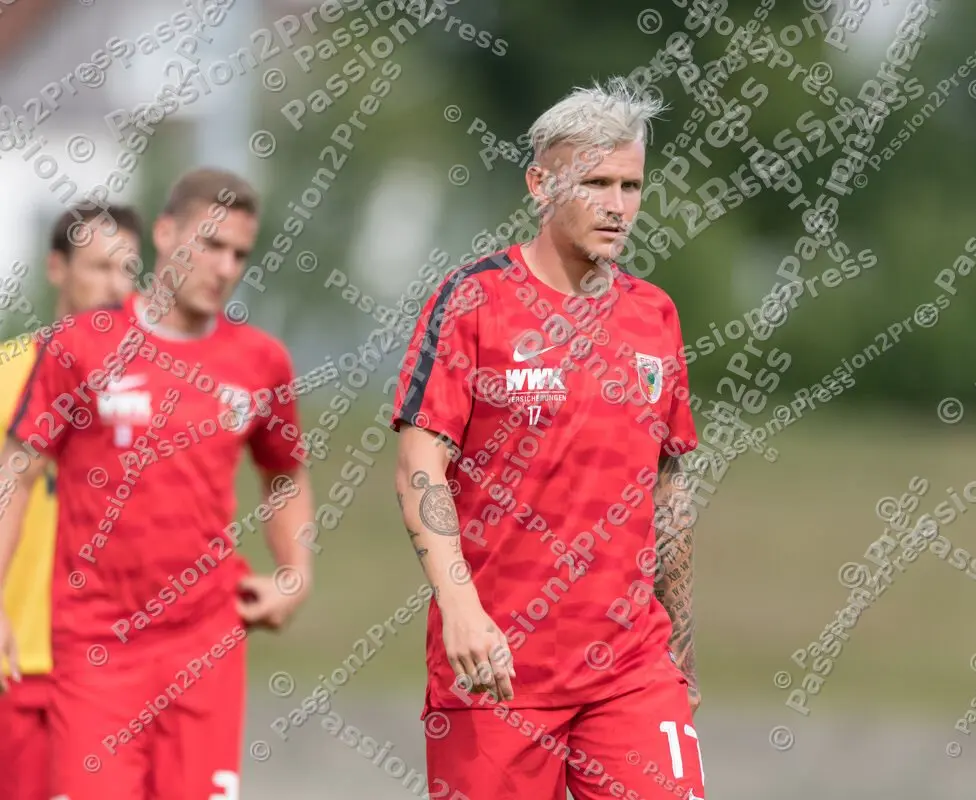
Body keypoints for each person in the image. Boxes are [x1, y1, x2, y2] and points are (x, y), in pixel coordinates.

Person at [392, 77, 706, 800]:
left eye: (631, 185)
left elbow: (668, 490)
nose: (617, 205)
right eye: (595, 182)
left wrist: (682, 657)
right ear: (540, 182)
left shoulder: (655, 317)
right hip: (496, 672)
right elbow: (419, 465)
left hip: (631, 671)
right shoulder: (473, 302)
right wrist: (462, 611)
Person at [0, 168, 315, 800]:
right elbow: (19, 471)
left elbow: (284, 473)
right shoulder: (81, 347)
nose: (223, 267)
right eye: (210, 244)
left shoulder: (260, 361)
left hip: (206, 644)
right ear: (166, 235)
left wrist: (295, 573)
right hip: (95, 647)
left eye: (238, 253)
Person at [0, 203, 143, 800]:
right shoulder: (8, 372)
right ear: (57, 268)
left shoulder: (157, 389)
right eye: (98, 267)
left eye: (129, 269)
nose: (115, 288)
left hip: (116, 666)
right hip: (18, 658)